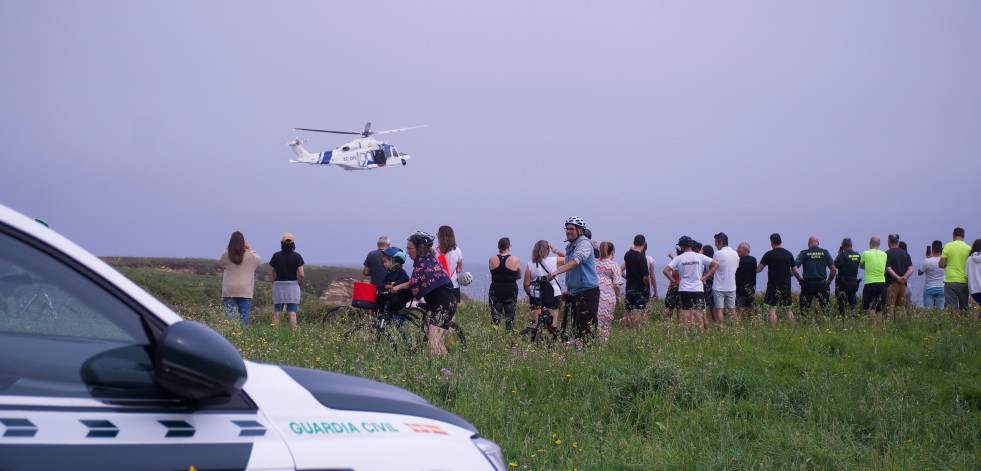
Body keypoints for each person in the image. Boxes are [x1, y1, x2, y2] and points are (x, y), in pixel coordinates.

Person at [546, 216, 600, 342]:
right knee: (576, 327)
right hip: (576, 291)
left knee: (586, 328)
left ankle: (590, 354)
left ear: (580, 231)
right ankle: (580, 353)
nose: (568, 231)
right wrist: (569, 289)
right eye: (567, 229)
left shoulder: (585, 244)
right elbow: (570, 264)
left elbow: (575, 261)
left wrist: (555, 273)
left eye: (572, 229)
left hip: (587, 291)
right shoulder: (571, 246)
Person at [403, 231, 456, 356]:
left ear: (419, 248)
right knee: (439, 344)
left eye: (410, 248)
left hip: (442, 305)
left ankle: (438, 372)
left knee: (433, 345)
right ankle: (447, 370)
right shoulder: (429, 260)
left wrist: (397, 287)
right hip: (448, 302)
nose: (407, 251)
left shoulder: (423, 263)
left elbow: (414, 283)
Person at [664, 236, 718, 329]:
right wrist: (706, 276)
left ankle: (687, 332)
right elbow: (716, 264)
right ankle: (700, 333)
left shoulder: (679, 258)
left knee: (686, 311)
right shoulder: (699, 256)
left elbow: (665, 271)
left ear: (682, 246)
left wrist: (674, 282)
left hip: (684, 288)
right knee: (699, 313)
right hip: (698, 289)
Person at [218, 231, 261, 325]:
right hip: (245, 290)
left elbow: (219, 261)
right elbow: (258, 259)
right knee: (244, 316)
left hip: (229, 290)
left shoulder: (226, 254)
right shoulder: (250, 255)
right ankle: (244, 336)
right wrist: (250, 249)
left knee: (229, 317)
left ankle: (230, 335)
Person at [757, 233, 798, 326]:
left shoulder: (769, 254)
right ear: (781, 241)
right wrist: (788, 275)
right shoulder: (788, 254)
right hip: (786, 284)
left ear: (771, 243)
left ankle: (773, 330)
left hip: (773, 285)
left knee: (772, 309)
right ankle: (792, 328)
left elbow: (759, 269)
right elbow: (795, 271)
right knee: (788, 309)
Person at [523, 240, 562, 328]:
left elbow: (526, 284)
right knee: (553, 321)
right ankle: (552, 339)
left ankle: (536, 338)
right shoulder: (554, 260)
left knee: (536, 322)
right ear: (547, 250)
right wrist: (556, 251)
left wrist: (530, 294)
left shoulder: (530, 264)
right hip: (553, 294)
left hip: (536, 295)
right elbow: (570, 259)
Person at [269, 233, 305, 329]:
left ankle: (275, 332)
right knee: (292, 312)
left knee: (277, 312)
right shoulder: (297, 256)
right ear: (293, 243)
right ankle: (293, 333)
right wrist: (299, 284)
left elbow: (271, 272)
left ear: (282, 243)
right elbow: (302, 274)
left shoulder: (276, 256)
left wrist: (275, 282)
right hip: (293, 286)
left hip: (279, 285)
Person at [794, 236, 836, 315]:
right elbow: (833, 270)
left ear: (808, 244)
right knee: (825, 309)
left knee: (804, 309)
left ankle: (805, 324)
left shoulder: (804, 253)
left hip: (808, 284)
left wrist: (799, 278)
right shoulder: (825, 253)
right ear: (818, 243)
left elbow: (794, 268)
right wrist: (829, 281)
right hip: (822, 283)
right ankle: (827, 325)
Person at [488, 237, 521, 331]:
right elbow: (519, 276)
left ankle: (496, 335)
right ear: (509, 247)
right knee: (510, 317)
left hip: (495, 290)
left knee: (495, 317)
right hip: (510, 290)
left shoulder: (492, 259)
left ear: (498, 247)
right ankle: (509, 334)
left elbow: (492, 271)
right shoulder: (515, 259)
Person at [939, 227, 971, 315]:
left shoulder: (948, 246)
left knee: (952, 306)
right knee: (964, 306)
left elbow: (941, 264)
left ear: (953, 235)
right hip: (964, 281)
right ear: (963, 236)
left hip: (950, 280)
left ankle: (954, 325)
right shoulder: (968, 248)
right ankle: (964, 324)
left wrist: (947, 263)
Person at [595, 241, 622, 341]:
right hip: (607, 297)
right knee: (605, 324)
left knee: (592, 322)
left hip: (593, 294)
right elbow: (617, 286)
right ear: (613, 252)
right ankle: (603, 345)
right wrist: (618, 297)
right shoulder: (614, 266)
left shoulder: (593, 262)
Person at [621, 234, 650, 327]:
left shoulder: (627, 255)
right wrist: (647, 286)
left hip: (629, 286)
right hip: (639, 288)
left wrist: (627, 277)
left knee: (628, 310)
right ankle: (636, 331)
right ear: (644, 244)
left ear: (633, 242)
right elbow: (645, 277)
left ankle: (624, 329)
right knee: (638, 311)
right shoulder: (642, 258)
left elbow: (621, 269)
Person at [711, 232, 739, 325]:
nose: (715, 244)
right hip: (731, 286)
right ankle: (736, 329)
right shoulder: (735, 254)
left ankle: (721, 330)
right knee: (732, 309)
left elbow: (713, 267)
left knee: (719, 310)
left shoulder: (718, 254)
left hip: (719, 286)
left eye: (716, 242)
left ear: (720, 242)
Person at [884, 234, 913, 321]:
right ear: (898, 242)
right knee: (902, 306)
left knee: (890, 306)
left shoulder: (887, 253)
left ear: (889, 241)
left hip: (891, 283)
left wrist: (897, 278)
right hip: (903, 284)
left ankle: (890, 325)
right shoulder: (905, 254)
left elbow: (888, 269)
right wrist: (904, 277)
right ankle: (902, 325)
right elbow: (911, 268)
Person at [860, 236, 887, 325]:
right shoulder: (884, 254)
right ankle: (879, 326)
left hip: (870, 283)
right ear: (879, 244)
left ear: (869, 243)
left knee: (871, 307)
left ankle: (873, 326)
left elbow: (861, 265)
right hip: (881, 283)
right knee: (880, 307)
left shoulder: (865, 253)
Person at [381, 247, 412, 320]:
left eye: (385, 262)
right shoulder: (389, 273)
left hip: (404, 294)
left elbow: (405, 279)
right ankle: (389, 316)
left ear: (394, 261)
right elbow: (381, 283)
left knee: (395, 300)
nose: (383, 264)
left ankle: (402, 316)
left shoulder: (401, 272)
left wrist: (392, 285)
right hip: (394, 293)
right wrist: (385, 285)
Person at [834, 238, 861, 317]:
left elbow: (834, 265)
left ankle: (843, 320)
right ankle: (854, 317)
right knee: (853, 303)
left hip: (844, 284)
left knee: (842, 304)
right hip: (854, 283)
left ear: (842, 246)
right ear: (851, 245)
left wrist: (838, 254)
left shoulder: (842, 256)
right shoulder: (857, 255)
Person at [437, 226, 464, 302]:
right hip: (453, 285)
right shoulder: (457, 251)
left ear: (440, 237)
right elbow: (459, 268)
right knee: (453, 311)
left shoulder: (434, 251)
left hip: (439, 286)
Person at [919, 240, 946, 309]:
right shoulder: (944, 262)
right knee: (941, 310)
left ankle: (928, 319)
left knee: (928, 310)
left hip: (929, 288)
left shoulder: (927, 261)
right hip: (941, 287)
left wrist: (928, 258)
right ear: (941, 249)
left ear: (932, 249)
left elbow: (919, 272)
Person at [734, 242, 757, 322]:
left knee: (740, 310)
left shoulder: (738, 260)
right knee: (751, 310)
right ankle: (752, 325)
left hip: (740, 289)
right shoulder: (753, 260)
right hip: (751, 289)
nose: (737, 250)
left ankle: (740, 326)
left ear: (744, 250)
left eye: (738, 248)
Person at [699, 243, 715, 328]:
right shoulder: (713, 262)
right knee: (713, 308)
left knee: (703, 310)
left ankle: (706, 327)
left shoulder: (704, 263)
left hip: (706, 287)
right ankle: (715, 323)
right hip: (714, 286)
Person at [967, 239, 981, 313]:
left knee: (975, 308)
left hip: (973, 288)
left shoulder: (969, 259)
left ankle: (974, 324)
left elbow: (966, 274)